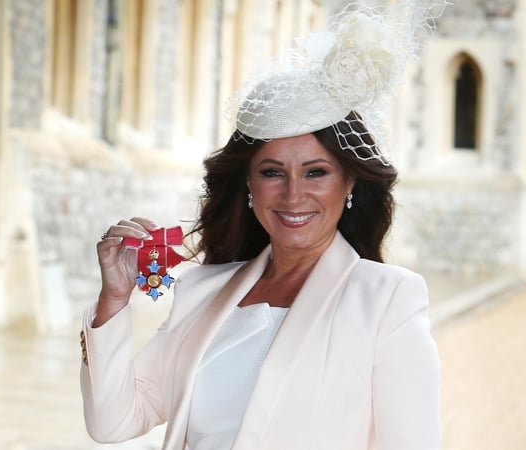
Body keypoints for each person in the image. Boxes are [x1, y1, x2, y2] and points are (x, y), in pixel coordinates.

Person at [80, 3, 446, 449]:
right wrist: (114, 299)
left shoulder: (389, 299)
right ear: (248, 183)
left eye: (316, 172)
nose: (293, 195)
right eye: (272, 172)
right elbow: (113, 423)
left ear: (349, 181)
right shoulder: (201, 290)